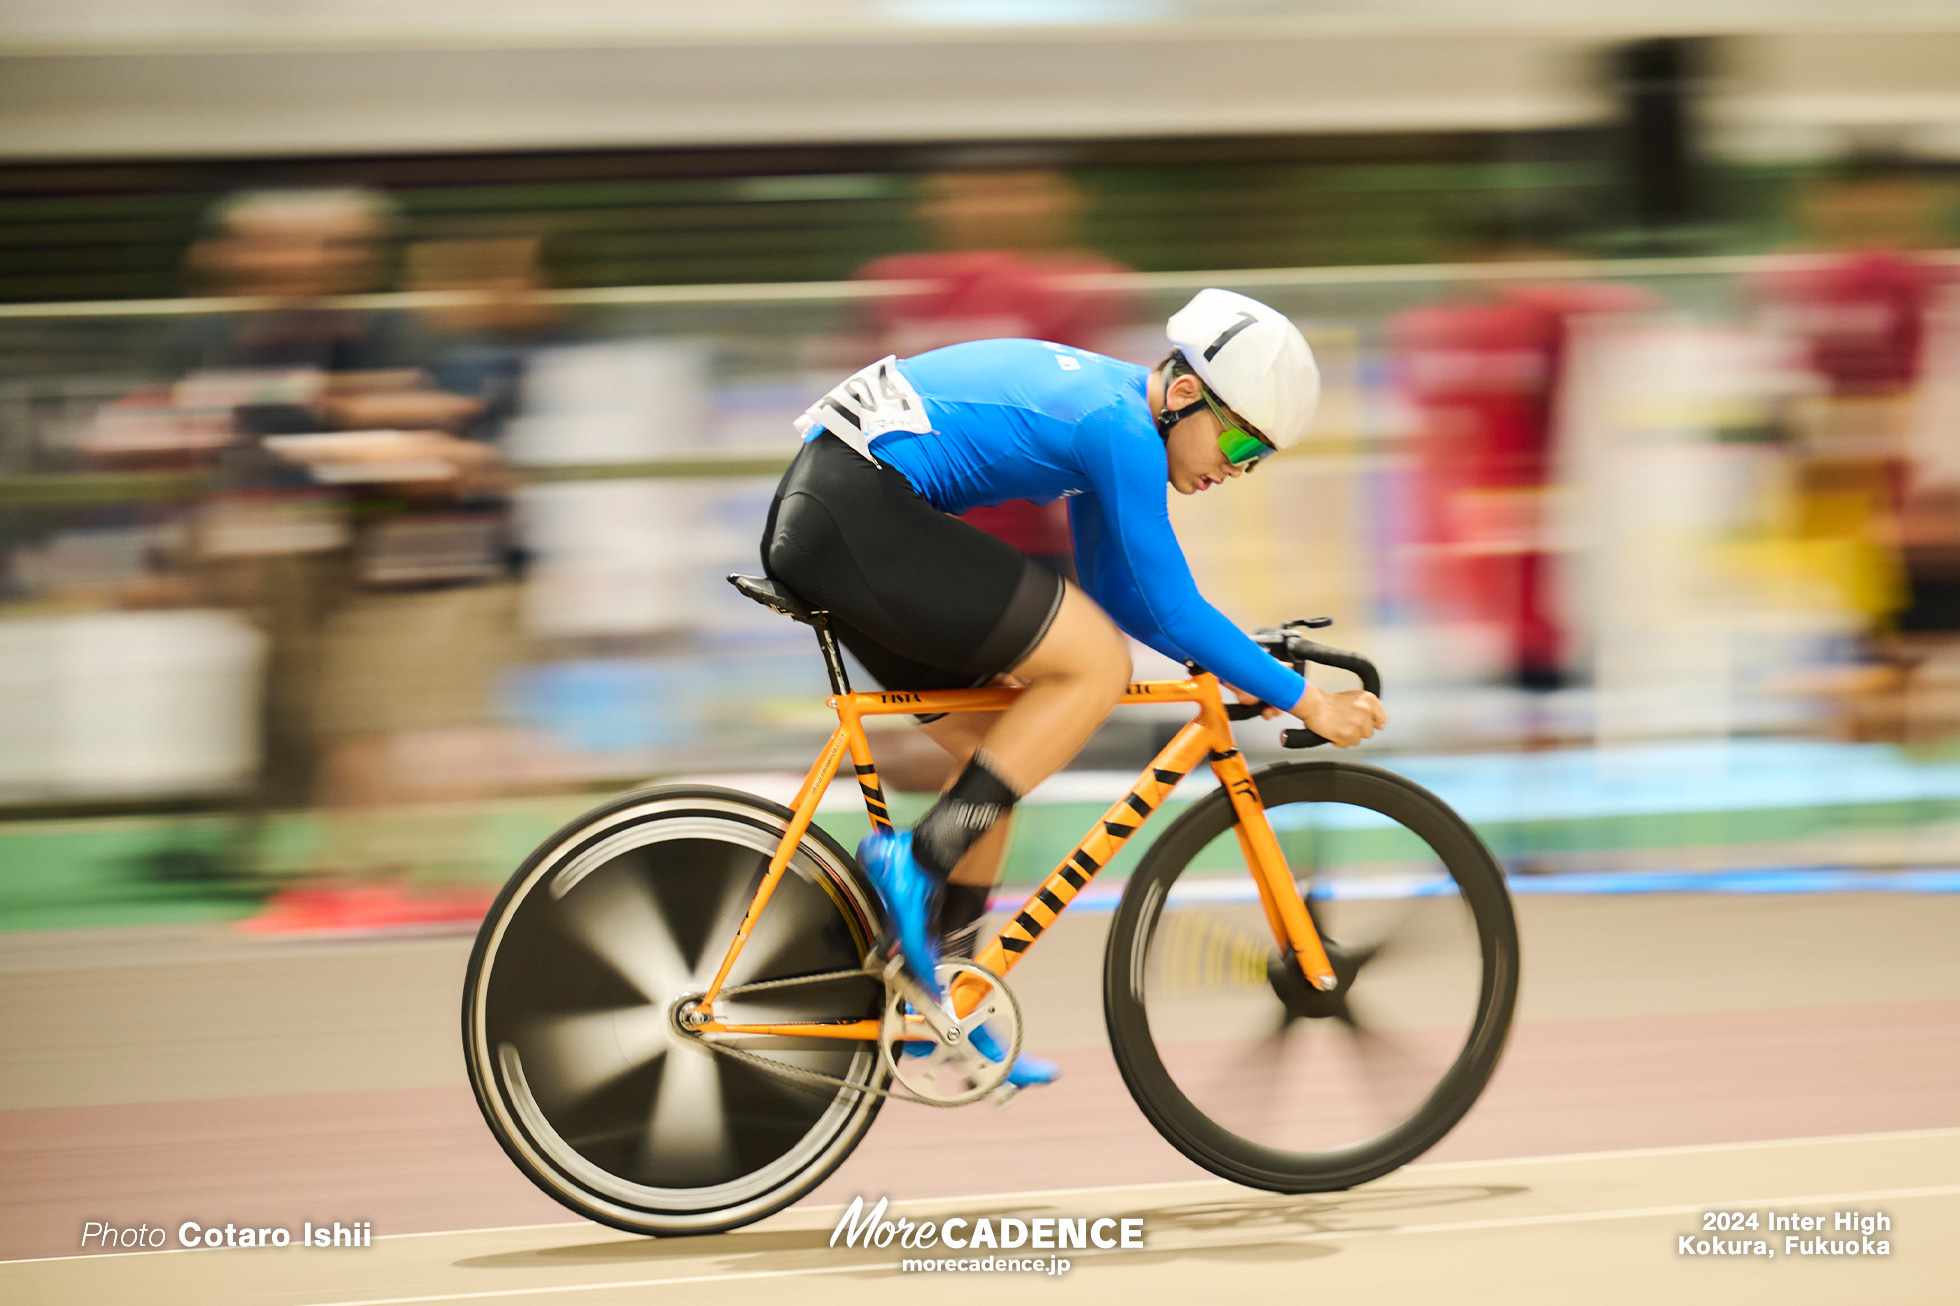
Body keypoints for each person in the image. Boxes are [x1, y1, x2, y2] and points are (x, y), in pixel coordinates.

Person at [760, 289, 1387, 1085]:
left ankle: (940, 994)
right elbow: (1167, 606)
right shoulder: (1117, 425)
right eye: (1236, 438)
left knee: (1000, 757)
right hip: (855, 511)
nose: (1236, 465)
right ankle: (915, 861)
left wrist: (1243, 664)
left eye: (1254, 456)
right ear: (1186, 393)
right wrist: (1311, 703)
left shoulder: (1115, 419)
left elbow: (1126, 595)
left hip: (840, 515)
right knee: (1093, 666)